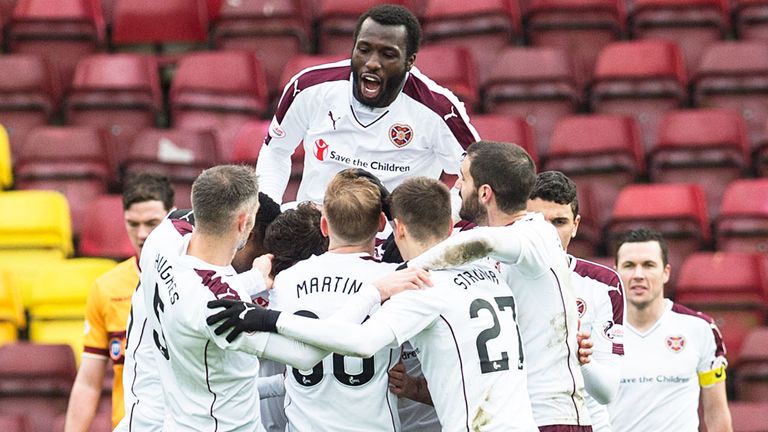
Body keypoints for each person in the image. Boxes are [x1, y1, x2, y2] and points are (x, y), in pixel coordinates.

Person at [209, 176, 538, 431]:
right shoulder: (410, 279)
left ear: (325, 226)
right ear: (383, 226)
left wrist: (266, 317)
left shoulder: (290, 280)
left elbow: (336, 349)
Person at [140, 164, 430, 430]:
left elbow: (198, 283)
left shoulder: (161, 240)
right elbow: (306, 356)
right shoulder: (222, 305)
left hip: (179, 415)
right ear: (245, 223)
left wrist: (255, 279)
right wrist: (373, 292)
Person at [407, 141, 592, 431]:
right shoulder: (488, 245)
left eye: (463, 178)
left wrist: (405, 272)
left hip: (549, 415)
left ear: (484, 193)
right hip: (514, 416)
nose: (457, 188)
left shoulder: (535, 232)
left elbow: (482, 242)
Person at [256, 4, 478, 204]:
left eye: (388, 54)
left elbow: (478, 177)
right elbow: (275, 151)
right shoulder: (309, 87)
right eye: (364, 50)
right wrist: (267, 210)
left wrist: (435, 222)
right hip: (315, 232)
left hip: (393, 241)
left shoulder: (439, 109)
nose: (372, 63)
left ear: (409, 61)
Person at [64, 173, 174, 432]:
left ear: (171, 217)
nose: (142, 234)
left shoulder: (195, 277)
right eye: (133, 224)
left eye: (152, 222)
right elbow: (89, 381)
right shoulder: (106, 288)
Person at [528, 171, 625, 432]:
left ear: (576, 225)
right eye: (538, 221)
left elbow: (607, 392)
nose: (549, 233)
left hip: (586, 424)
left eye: (559, 222)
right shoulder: (498, 276)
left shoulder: (604, 284)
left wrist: (583, 361)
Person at [608, 229, 732, 432]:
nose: (638, 275)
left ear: (665, 272)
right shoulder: (597, 331)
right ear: (616, 272)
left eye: (648, 265)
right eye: (629, 266)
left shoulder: (700, 329)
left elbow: (716, 413)